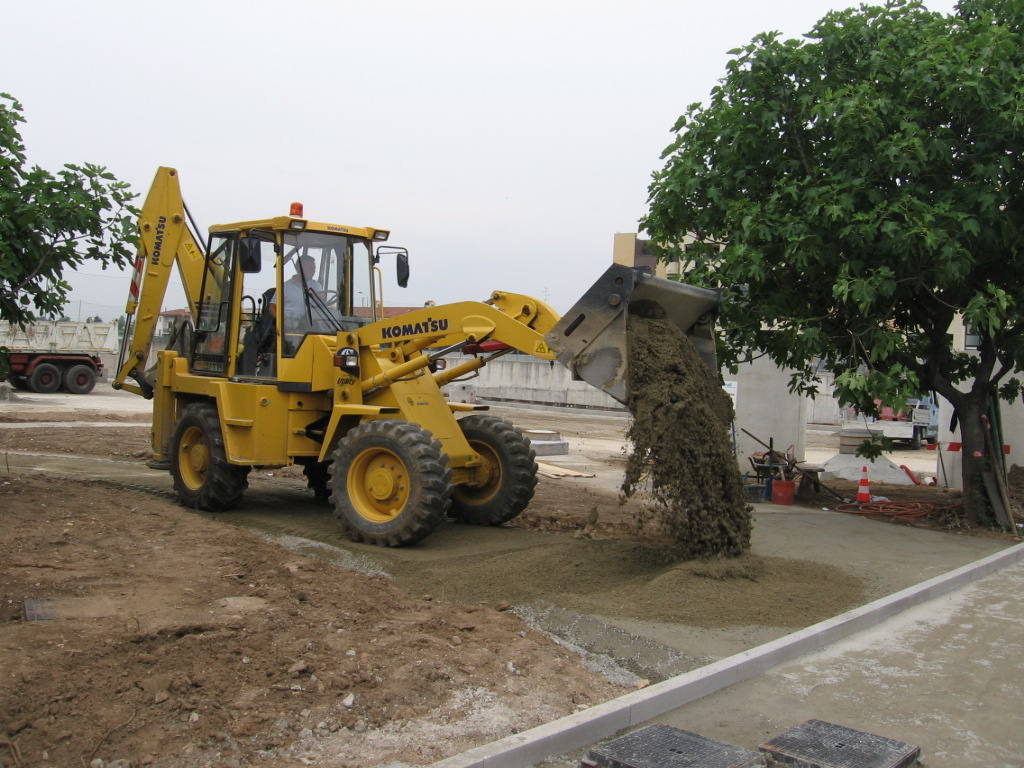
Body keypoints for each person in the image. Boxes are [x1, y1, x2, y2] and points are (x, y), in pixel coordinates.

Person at [270, 254, 324, 326]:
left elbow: (323, 300)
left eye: (314, 268)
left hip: (309, 324)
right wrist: (282, 322)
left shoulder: (316, 285)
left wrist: (315, 295)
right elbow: (272, 307)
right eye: (309, 268)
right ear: (299, 268)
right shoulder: (285, 287)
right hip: (288, 327)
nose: (313, 271)